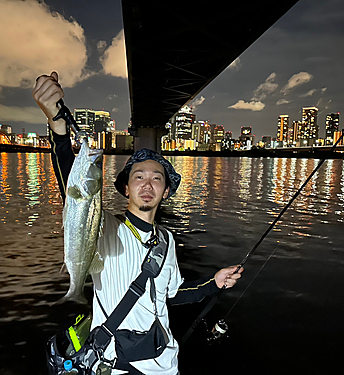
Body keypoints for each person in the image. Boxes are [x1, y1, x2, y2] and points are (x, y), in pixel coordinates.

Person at [33, 72, 243, 375]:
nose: (148, 183)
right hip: (118, 365)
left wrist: (214, 282)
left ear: (165, 191)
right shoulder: (105, 228)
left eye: (157, 178)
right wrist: (57, 123)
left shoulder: (167, 240)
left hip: (167, 364)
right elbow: (76, 190)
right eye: (138, 177)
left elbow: (172, 294)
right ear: (126, 189)